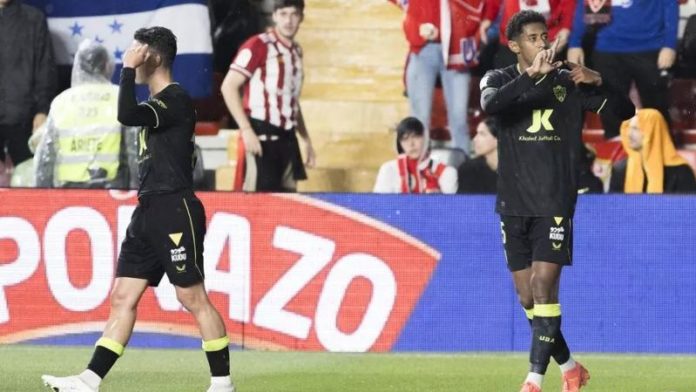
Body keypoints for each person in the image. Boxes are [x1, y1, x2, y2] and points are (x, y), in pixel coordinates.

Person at [41, 27, 234, 392]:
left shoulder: (175, 99)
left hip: (174, 207)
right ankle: (88, 380)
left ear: (154, 57)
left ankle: (222, 384)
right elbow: (133, 114)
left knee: (191, 296)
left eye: (138, 50)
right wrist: (131, 69)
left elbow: (126, 113)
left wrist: (127, 70)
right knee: (122, 296)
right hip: (148, 210)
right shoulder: (156, 105)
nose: (130, 55)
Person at [479, 10, 634, 392]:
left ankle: (533, 381)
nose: (543, 43)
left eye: (544, 36)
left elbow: (626, 113)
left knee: (545, 287)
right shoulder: (498, 78)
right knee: (527, 295)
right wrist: (529, 78)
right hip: (512, 203)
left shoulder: (569, 80)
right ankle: (570, 367)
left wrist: (602, 81)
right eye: (533, 38)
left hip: (554, 202)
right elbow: (491, 106)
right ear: (514, 45)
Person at [220, 0, 315, 192]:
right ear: (274, 16)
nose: (288, 20)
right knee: (260, 203)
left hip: (288, 139)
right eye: (283, 14)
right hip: (261, 136)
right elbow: (228, 86)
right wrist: (246, 130)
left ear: (301, 18)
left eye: (294, 14)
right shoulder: (258, 45)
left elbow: (292, 102)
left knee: (287, 202)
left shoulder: (296, 52)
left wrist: (306, 139)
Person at [35, 40, 138, 189]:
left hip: (68, 191)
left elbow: (46, 159)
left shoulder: (61, 102)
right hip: (113, 190)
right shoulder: (121, 97)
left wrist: (41, 198)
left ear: (79, 66)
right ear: (106, 66)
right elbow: (134, 152)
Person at [567, 0, 678, 139]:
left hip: (649, 46)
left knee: (656, 109)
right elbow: (582, 5)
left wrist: (670, 45)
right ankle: (618, 155)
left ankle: (662, 155)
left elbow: (669, 4)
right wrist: (575, 43)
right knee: (611, 111)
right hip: (606, 48)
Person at [392, 0, 485, 153]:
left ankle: (462, 172)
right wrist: (418, 18)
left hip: (457, 49)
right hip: (423, 48)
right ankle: (417, 172)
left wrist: (482, 23)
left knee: (459, 119)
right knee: (419, 119)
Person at [0, 0, 56, 167]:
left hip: (24, 120)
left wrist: (42, 110)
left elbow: (45, 68)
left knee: (25, 184)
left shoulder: (33, 19)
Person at [610, 108, 696, 194]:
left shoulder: (681, 172)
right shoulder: (620, 169)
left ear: (653, 132)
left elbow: (687, 206)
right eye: (629, 128)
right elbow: (612, 205)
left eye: (636, 129)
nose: (629, 134)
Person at [479, 0, 576, 68]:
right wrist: (488, 17)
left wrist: (566, 27)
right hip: (512, 40)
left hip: (547, 40)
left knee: (547, 90)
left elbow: (568, 2)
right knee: (509, 88)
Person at [374, 116, 457, 194]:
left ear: (425, 138)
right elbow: (379, 206)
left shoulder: (446, 172)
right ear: (399, 144)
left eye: (416, 137)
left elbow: (451, 208)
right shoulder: (388, 170)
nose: (411, 144)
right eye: (405, 139)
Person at [457, 117, 498, 193]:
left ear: (498, 139)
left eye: (482, 134)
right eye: (477, 133)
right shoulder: (468, 170)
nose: (475, 139)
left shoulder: (516, 170)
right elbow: (464, 203)